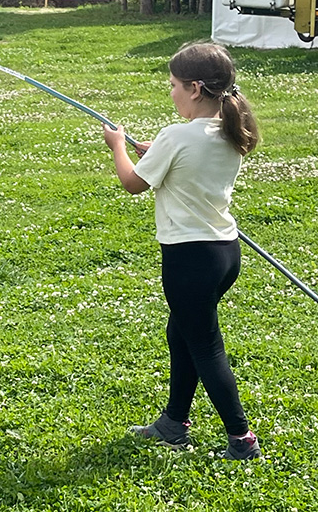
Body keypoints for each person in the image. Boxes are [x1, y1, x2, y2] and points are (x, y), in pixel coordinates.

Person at [102, 42, 261, 460]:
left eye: (172, 85)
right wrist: (157, 153)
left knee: (205, 345)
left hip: (190, 258)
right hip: (225, 252)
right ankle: (174, 423)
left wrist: (117, 145)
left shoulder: (177, 136)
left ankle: (241, 439)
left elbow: (133, 183)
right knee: (183, 332)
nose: (169, 92)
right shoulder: (228, 130)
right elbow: (187, 162)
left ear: (194, 88)